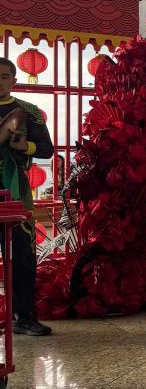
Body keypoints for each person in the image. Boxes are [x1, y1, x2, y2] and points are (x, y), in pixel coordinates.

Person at [0, 57, 54, 335]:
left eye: (4, 76)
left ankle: (25, 317)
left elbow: (47, 149)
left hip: (16, 192)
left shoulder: (28, 111)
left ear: (14, 80)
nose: (0, 81)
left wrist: (26, 145)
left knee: (23, 254)